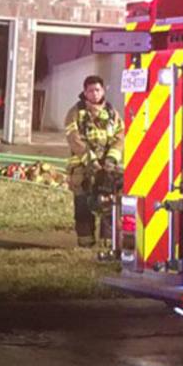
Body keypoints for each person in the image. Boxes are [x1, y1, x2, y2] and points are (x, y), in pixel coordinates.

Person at [64, 75, 123, 249]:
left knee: (109, 203)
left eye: (97, 90)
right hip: (82, 167)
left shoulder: (112, 113)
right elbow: (74, 139)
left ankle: (108, 242)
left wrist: (111, 159)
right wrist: (92, 162)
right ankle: (85, 242)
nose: (94, 94)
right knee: (83, 204)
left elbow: (120, 137)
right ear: (84, 92)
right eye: (90, 90)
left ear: (103, 90)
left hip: (108, 166)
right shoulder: (75, 113)